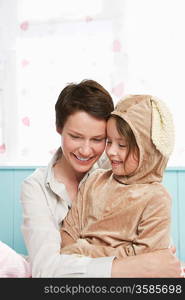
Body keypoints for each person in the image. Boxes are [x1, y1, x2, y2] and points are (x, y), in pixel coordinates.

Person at [21, 81, 182, 278]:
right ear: (59, 128)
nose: (86, 150)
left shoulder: (123, 168)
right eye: (76, 137)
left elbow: (159, 253)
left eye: (98, 139)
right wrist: (127, 267)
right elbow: (45, 269)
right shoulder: (35, 187)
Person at [60, 94, 176, 261]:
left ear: (148, 150)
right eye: (109, 142)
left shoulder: (156, 198)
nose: (111, 152)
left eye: (122, 145)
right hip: (81, 273)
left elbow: (144, 259)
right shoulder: (94, 180)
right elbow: (68, 232)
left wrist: (82, 250)